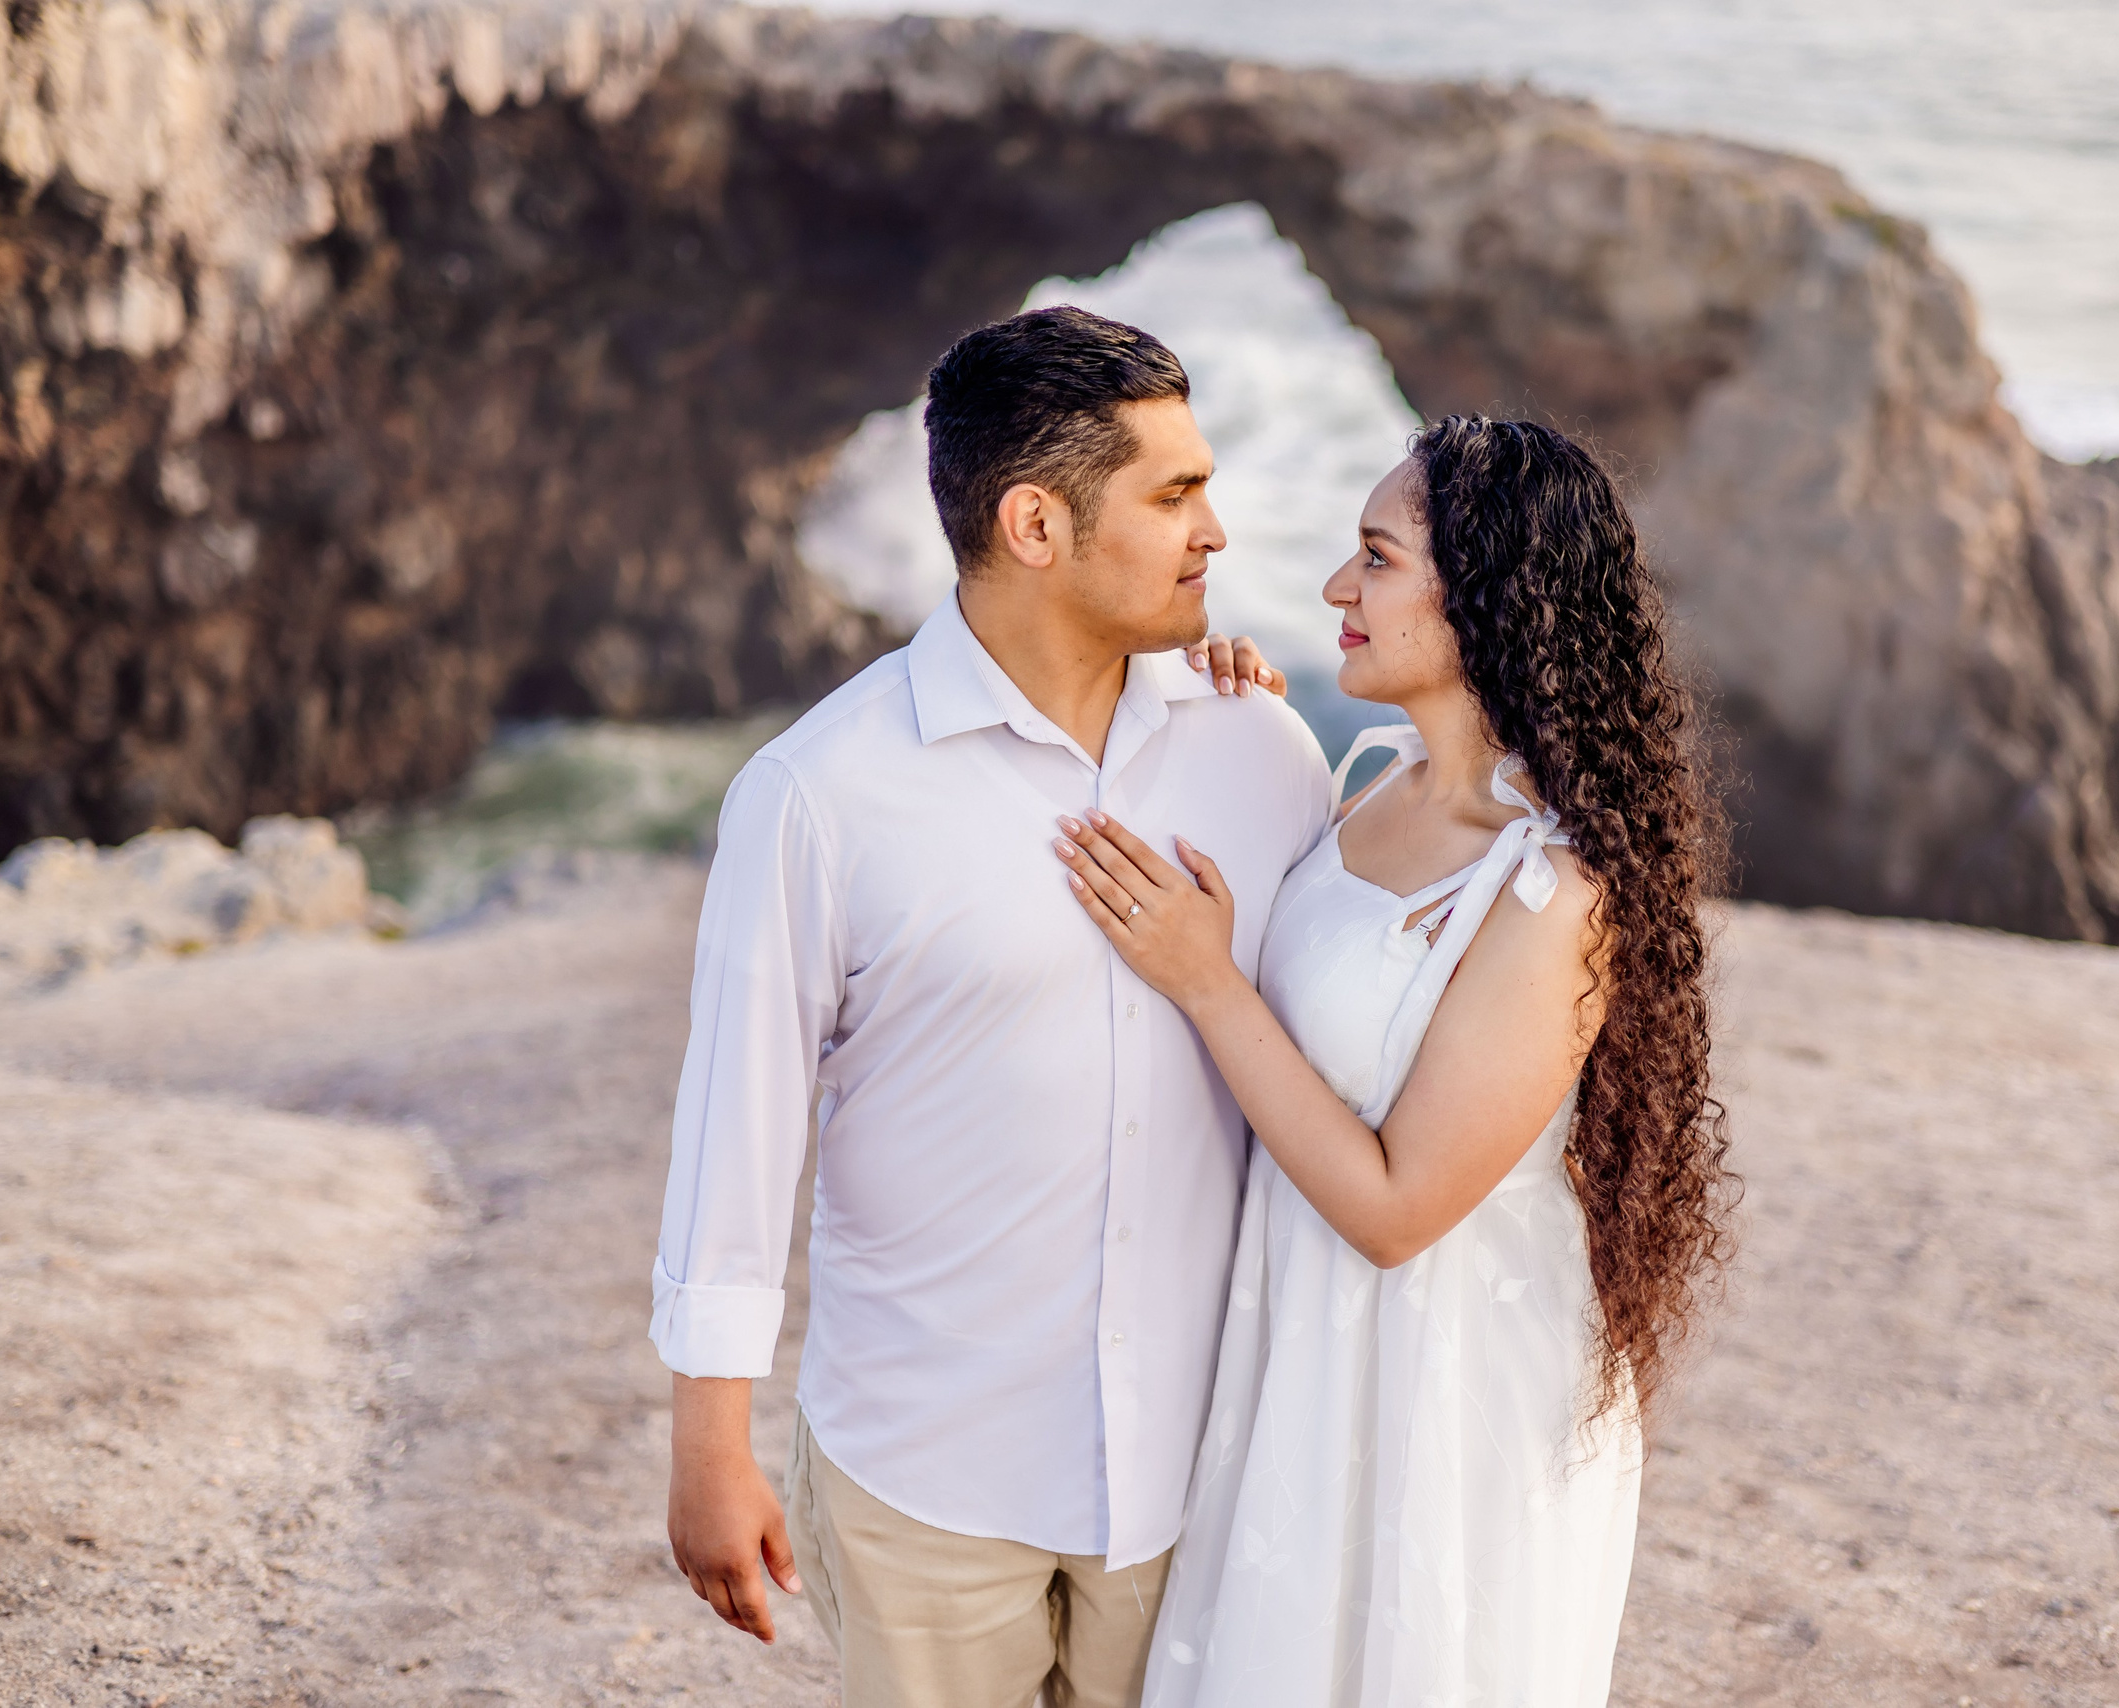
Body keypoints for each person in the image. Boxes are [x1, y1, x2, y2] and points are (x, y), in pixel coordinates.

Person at [650, 305, 1329, 1708]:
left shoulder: (1259, 744)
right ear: (1036, 524)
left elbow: (1331, 1039)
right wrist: (710, 1446)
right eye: (1176, 494)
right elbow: (740, 1130)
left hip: (1202, 1466)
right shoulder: (818, 793)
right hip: (929, 1474)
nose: (1217, 532)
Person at [1050, 415, 1737, 1706]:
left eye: (1375, 558)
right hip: (1304, 1347)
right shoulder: (1373, 787)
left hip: (1444, 1389)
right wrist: (1216, 714)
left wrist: (1204, 981)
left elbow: (1397, 1208)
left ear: (1484, 596)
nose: (1333, 589)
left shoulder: (1551, 888)